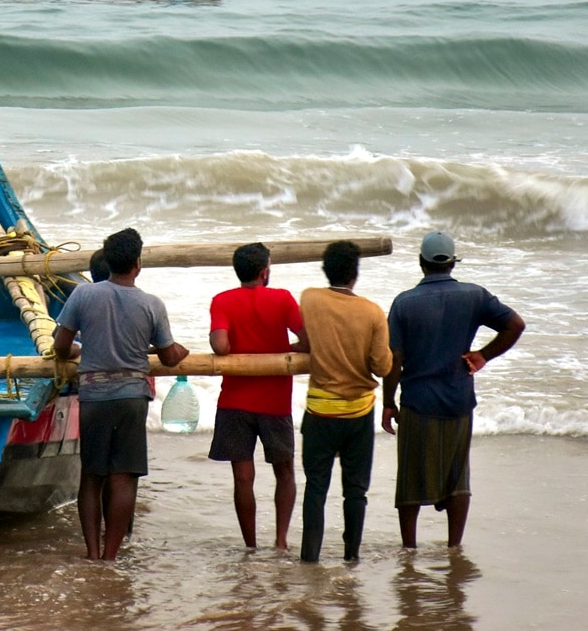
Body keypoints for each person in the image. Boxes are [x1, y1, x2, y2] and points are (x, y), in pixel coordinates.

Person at [382, 231, 525, 549]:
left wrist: (388, 402)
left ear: (421, 263)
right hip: (459, 399)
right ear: (451, 264)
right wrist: (484, 355)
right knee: (457, 477)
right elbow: (516, 324)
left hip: (418, 402)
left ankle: (409, 548)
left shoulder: (404, 303)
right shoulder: (474, 296)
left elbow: (395, 358)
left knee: (410, 479)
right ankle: (453, 546)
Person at [53, 228, 189, 560]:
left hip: (94, 395)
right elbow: (170, 356)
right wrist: (182, 351)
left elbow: (60, 346)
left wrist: (77, 352)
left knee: (92, 476)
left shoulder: (84, 295)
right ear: (137, 264)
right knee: (123, 478)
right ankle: (112, 556)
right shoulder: (151, 304)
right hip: (132, 397)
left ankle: (93, 552)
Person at [207, 243, 308, 550]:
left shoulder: (222, 300)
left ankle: (250, 544)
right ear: (265, 271)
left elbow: (220, 347)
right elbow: (308, 340)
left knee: (243, 478)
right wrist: (283, 351)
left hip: (235, 399)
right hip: (274, 400)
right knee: (285, 471)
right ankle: (280, 541)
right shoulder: (282, 298)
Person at [298, 240, 392, 562]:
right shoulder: (372, 312)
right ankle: (351, 557)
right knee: (355, 491)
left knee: (315, 488)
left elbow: (307, 340)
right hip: (358, 413)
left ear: (326, 270)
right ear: (356, 273)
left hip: (320, 410)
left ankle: (309, 557)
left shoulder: (309, 298)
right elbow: (382, 366)